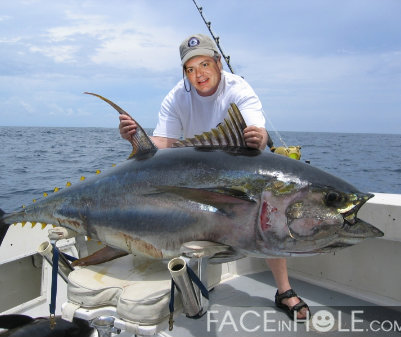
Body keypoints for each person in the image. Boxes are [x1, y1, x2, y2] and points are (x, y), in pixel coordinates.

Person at [118, 33, 310, 320]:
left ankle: (283, 289)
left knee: (269, 210)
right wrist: (135, 138)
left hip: (238, 171)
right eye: (190, 69)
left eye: (205, 64)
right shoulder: (176, 96)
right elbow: (163, 145)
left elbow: (256, 137)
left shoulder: (239, 88)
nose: (199, 75)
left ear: (219, 62)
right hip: (197, 176)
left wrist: (261, 136)